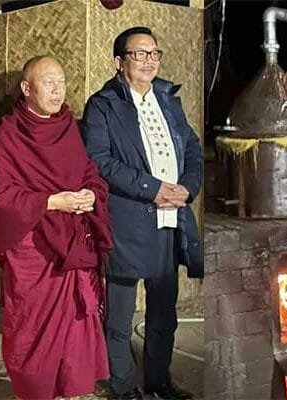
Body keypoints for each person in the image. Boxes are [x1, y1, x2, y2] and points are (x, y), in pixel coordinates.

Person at [81, 26, 203, 400]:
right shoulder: (103, 105)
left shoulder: (168, 99)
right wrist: (153, 188)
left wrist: (187, 188)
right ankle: (123, 388)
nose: (149, 61)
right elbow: (99, 160)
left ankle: (158, 381)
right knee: (120, 318)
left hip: (170, 220)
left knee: (163, 314)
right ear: (120, 62)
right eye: (139, 54)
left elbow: (193, 148)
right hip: (128, 224)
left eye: (154, 53)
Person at [0, 55, 112, 399]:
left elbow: (87, 170)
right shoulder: (7, 136)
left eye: (61, 82)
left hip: (70, 244)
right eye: (48, 83)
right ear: (27, 88)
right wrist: (52, 202)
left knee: (73, 327)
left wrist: (91, 193)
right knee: (30, 327)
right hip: (34, 249)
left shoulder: (67, 127)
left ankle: (65, 389)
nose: (58, 90)